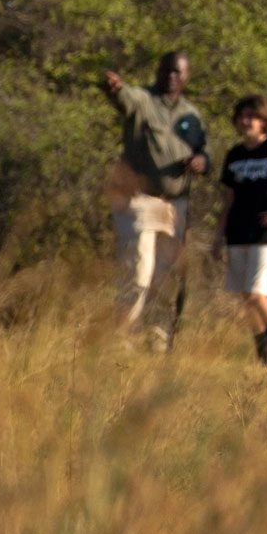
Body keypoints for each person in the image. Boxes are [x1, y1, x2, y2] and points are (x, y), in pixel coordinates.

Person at [99, 51, 209, 348]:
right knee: (138, 269)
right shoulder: (143, 100)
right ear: (158, 71)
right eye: (167, 70)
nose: (171, 76)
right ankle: (122, 337)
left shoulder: (192, 115)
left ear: (187, 76)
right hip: (140, 200)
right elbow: (125, 98)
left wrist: (201, 161)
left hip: (175, 205)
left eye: (178, 72)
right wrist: (116, 89)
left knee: (166, 275)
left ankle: (157, 337)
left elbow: (204, 151)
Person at [217, 96, 267, 362]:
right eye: (242, 116)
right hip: (237, 231)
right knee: (245, 296)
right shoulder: (234, 154)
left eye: (252, 117)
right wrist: (218, 235)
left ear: (264, 121)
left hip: (264, 233)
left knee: (257, 293)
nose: (246, 121)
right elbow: (229, 199)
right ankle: (264, 354)